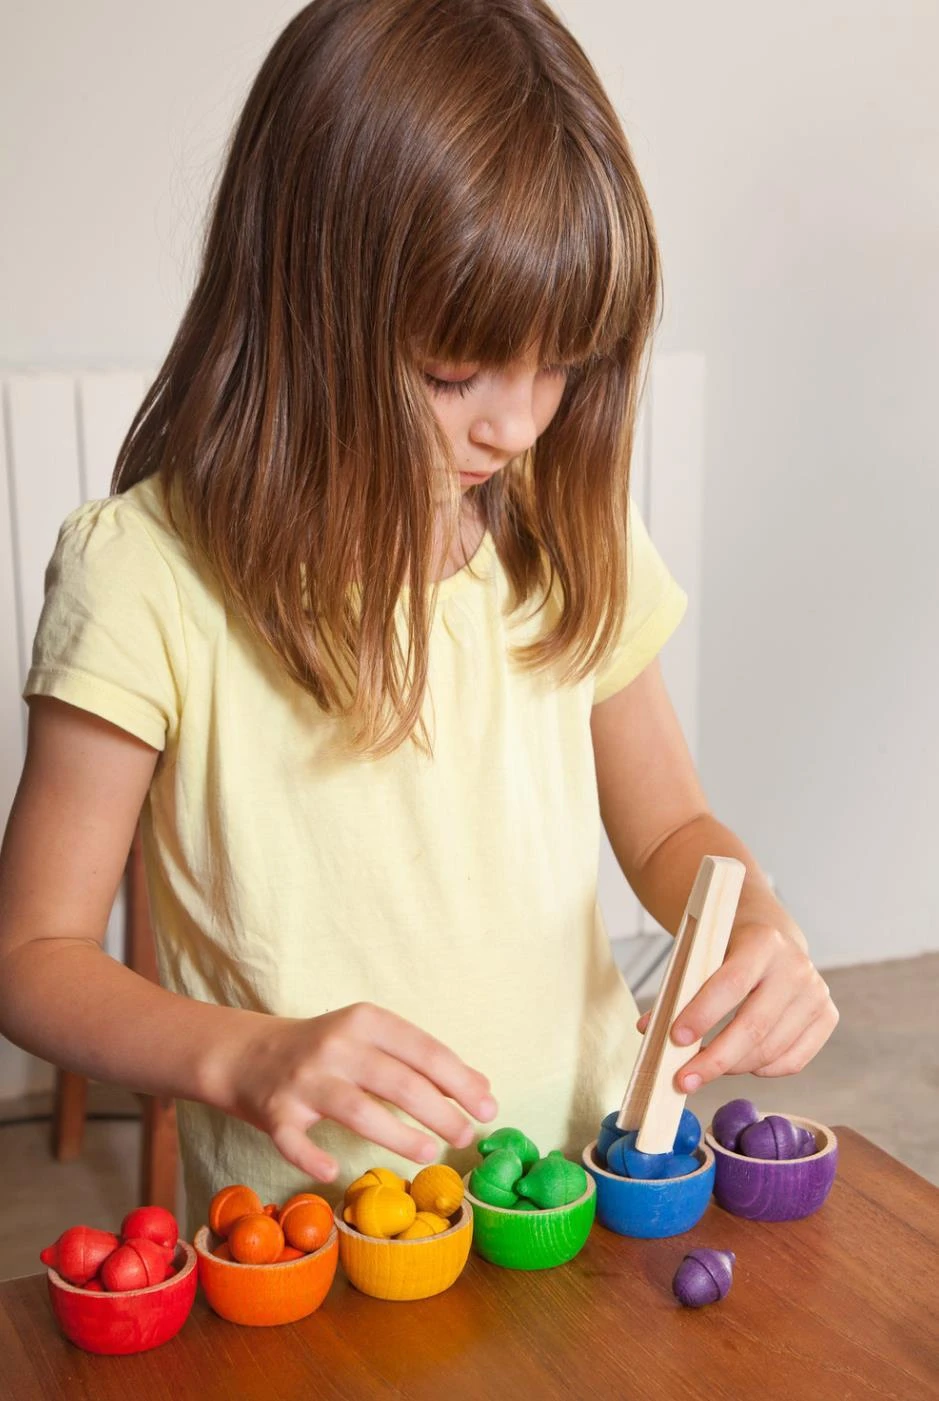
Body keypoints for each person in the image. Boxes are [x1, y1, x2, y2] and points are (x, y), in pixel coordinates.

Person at [0, 0, 837, 1234]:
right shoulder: (146, 577)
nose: (517, 425)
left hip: (578, 1195)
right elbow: (34, 958)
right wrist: (247, 1059)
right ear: (304, 309)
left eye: (560, 365)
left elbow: (671, 827)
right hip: (326, 1237)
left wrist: (751, 915)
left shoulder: (566, 525)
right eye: (456, 373)